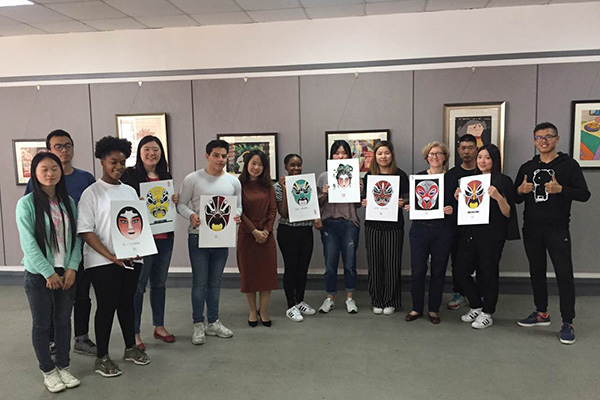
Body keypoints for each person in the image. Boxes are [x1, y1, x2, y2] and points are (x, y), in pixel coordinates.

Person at [78, 136, 150, 378]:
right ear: (102, 161)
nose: (118, 167)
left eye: (122, 162)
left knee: (127, 303)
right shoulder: (91, 193)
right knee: (107, 306)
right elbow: (86, 231)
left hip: (130, 259)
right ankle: (102, 357)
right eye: (113, 162)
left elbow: (136, 225)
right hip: (101, 261)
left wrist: (138, 246)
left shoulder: (130, 191)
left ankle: (130, 348)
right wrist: (111, 255)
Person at [514, 122, 590, 344]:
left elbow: (584, 194)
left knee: (564, 274)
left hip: (557, 229)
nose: (544, 141)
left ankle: (568, 322)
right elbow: (516, 197)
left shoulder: (569, 165)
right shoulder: (527, 167)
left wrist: (561, 189)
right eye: (539, 137)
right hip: (531, 228)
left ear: (557, 139)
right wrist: (520, 190)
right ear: (534, 141)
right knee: (536, 271)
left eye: (548, 136)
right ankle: (541, 313)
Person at [25, 129, 97, 356]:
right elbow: (31, 223)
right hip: (48, 258)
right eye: (58, 146)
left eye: (68, 146)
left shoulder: (85, 178)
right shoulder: (35, 186)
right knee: (51, 305)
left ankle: (81, 337)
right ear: (49, 150)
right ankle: (53, 342)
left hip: (78, 250)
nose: (64, 150)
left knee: (82, 295)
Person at [17, 152, 82, 393]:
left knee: (63, 321)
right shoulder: (26, 204)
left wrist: (72, 266)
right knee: (42, 324)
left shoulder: (68, 202)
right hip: (39, 276)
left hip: (66, 272)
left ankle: (63, 365)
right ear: (34, 173)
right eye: (44, 169)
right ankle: (48, 370)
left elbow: (77, 237)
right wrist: (48, 273)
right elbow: (28, 243)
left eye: (54, 168)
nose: (50, 173)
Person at [177, 139, 242, 344]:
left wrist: (237, 216)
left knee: (215, 282)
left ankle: (213, 322)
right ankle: (198, 323)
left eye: (224, 156)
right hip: (198, 237)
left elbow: (238, 207)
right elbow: (181, 204)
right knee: (200, 282)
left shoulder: (233, 181)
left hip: (222, 238)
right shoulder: (192, 179)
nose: (220, 159)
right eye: (216, 155)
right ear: (207, 156)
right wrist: (191, 216)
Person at [122, 136, 178, 349]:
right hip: (141, 240)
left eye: (156, 149)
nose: (151, 153)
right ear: (140, 152)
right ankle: (135, 333)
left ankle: (159, 326)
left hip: (164, 238)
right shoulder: (130, 175)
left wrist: (174, 200)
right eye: (147, 149)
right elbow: (122, 204)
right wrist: (135, 202)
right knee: (138, 287)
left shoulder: (166, 176)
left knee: (159, 284)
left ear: (161, 153)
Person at [455, 144, 519, 329]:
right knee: (460, 270)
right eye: (480, 157)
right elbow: (469, 208)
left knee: (488, 273)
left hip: (493, 234)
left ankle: (487, 312)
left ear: (494, 160)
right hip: (471, 232)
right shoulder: (470, 180)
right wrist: (460, 197)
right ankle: (476, 305)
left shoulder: (503, 181)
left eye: (487, 157)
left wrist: (498, 197)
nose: (482, 161)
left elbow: (508, 213)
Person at [404, 142, 453, 324]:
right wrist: (409, 206)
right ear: (426, 157)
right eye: (431, 154)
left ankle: (433, 309)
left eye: (439, 153)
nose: (435, 157)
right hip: (420, 229)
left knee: (438, 270)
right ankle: (416, 307)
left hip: (442, 230)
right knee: (417, 270)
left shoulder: (451, 178)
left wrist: (452, 208)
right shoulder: (418, 178)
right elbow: (414, 201)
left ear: (445, 157)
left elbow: (458, 203)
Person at [361, 141, 408, 316]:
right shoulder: (369, 176)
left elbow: (409, 197)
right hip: (373, 225)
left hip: (393, 226)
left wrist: (403, 202)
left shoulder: (400, 175)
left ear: (392, 154)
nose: (383, 156)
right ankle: (377, 300)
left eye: (386, 153)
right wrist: (365, 201)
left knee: (392, 263)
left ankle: (391, 300)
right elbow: (364, 197)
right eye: (379, 153)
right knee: (374, 264)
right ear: (375, 156)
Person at [317, 140, 361, 314]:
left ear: (349, 156)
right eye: (337, 153)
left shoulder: (355, 174)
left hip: (350, 222)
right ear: (331, 156)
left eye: (344, 153)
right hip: (329, 223)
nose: (340, 156)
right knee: (330, 264)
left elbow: (358, 205)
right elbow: (317, 203)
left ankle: (350, 298)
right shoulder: (324, 176)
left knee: (350, 263)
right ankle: (330, 298)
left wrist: (358, 190)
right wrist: (324, 194)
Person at [274, 154, 320, 322]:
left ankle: (300, 300)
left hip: (305, 230)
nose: (296, 168)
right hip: (288, 231)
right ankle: (290, 306)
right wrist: (286, 189)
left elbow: (313, 205)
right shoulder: (278, 186)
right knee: (291, 268)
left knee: (303, 268)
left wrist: (323, 198)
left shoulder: (307, 183)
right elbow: (284, 212)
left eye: (299, 165)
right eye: (292, 165)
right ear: (285, 166)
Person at [237, 150, 278, 327]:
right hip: (247, 235)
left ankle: (264, 311)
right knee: (249, 274)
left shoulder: (268, 186)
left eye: (260, 164)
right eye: (253, 163)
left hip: (266, 236)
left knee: (267, 275)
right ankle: (253, 311)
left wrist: (266, 231)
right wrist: (254, 231)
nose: (256, 167)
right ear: (246, 165)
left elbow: (273, 210)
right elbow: (239, 211)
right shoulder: (239, 185)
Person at [444, 134, 478, 310]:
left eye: (470, 148)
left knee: (479, 262)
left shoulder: (482, 172)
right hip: (456, 225)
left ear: (476, 149)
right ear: (458, 150)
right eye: (463, 148)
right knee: (457, 261)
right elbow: (445, 201)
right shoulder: (451, 174)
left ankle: (478, 294)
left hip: (479, 226)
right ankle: (458, 293)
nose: (466, 152)